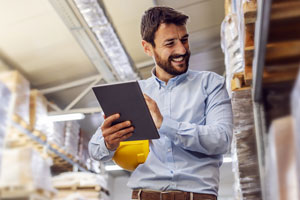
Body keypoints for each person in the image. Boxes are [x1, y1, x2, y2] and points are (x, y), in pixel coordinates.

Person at [89, 6, 233, 200]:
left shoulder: (210, 84)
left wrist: (163, 124)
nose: (181, 49)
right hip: (144, 195)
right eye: (170, 43)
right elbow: (95, 150)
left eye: (184, 40)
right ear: (148, 48)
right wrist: (108, 142)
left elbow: (221, 139)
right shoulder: (136, 93)